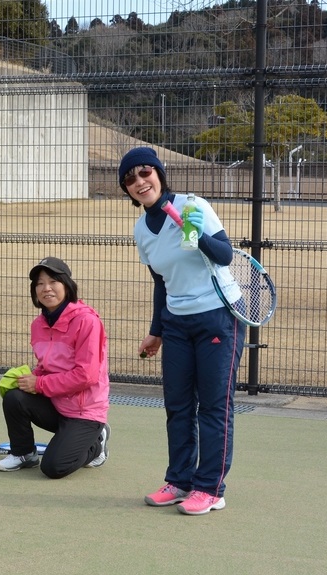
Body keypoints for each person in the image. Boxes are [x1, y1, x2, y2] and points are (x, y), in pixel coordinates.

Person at [118, 146, 245, 516]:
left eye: (145, 173)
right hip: (176, 323)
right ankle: (180, 480)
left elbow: (224, 254)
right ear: (126, 190)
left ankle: (210, 488)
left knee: (214, 407)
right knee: (177, 406)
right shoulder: (141, 229)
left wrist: (191, 231)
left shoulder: (193, 206)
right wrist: (155, 331)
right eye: (130, 179)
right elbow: (161, 281)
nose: (140, 182)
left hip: (218, 316)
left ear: (159, 173)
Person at [0, 257, 111, 479]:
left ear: (66, 285)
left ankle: (97, 443)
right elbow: (47, 366)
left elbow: (86, 376)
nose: (46, 288)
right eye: (39, 283)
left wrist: (38, 383)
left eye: (53, 281)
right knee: (14, 397)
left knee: (54, 468)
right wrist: (30, 377)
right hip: (56, 403)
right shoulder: (38, 324)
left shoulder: (87, 321)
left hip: (84, 412)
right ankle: (23, 453)